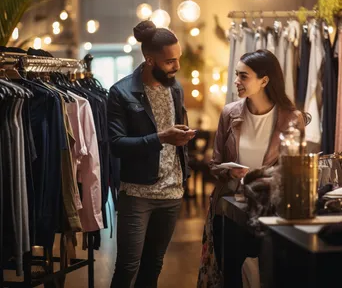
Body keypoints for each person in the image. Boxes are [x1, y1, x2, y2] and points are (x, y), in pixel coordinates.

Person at [197, 49, 306, 288]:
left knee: (272, 277)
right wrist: (230, 171)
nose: (236, 81)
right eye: (237, 75)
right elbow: (214, 165)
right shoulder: (230, 113)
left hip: (269, 213)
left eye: (243, 76)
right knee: (231, 278)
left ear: (264, 80)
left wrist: (262, 177)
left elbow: (294, 172)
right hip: (230, 210)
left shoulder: (291, 119)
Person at [108, 20, 195, 288]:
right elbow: (116, 143)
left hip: (172, 193)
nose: (176, 67)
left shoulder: (175, 88)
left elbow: (173, 129)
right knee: (127, 267)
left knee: (154, 265)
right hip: (137, 194)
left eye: (178, 59)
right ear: (149, 60)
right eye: (169, 62)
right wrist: (160, 138)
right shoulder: (122, 92)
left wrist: (181, 138)